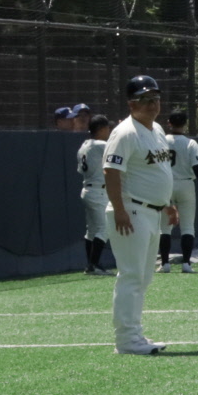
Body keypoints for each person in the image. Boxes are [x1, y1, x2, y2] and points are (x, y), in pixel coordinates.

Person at [101, 76, 179, 355]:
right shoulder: (125, 132)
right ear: (131, 103)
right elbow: (111, 171)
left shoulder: (156, 129)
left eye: (156, 98)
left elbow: (158, 172)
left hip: (150, 211)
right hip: (131, 211)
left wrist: (167, 203)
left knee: (143, 277)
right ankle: (125, 340)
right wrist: (120, 209)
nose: (152, 104)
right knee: (132, 276)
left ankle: (135, 334)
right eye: (145, 99)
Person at [159, 109, 198, 274]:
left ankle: (165, 264)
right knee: (188, 227)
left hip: (166, 184)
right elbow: (197, 169)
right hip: (186, 185)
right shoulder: (191, 143)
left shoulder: (161, 141)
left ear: (169, 123)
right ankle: (186, 264)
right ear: (185, 124)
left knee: (165, 227)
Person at [75, 113, 114, 275]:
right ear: (100, 129)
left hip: (88, 188)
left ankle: (90, 265)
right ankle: (95, 265)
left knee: (91, 230)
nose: (109, 131)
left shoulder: (84, 146)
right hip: (98, 190)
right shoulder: (100, 145)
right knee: (105, 229)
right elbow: (116, 146)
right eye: (107, 128)